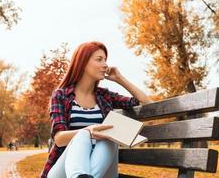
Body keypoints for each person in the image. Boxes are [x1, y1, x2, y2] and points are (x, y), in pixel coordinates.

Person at [40, 42, 152, 178]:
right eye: (99, 59)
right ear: (82, 62)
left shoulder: (105, 96)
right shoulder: (61, 95)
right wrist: (89, 131)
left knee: (109, 135)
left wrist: (119, 78)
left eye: (105, 60)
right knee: (83, 135)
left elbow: (146, 102)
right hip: (64, 170)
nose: (105, 65)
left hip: (102, 169)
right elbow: (59, 139)